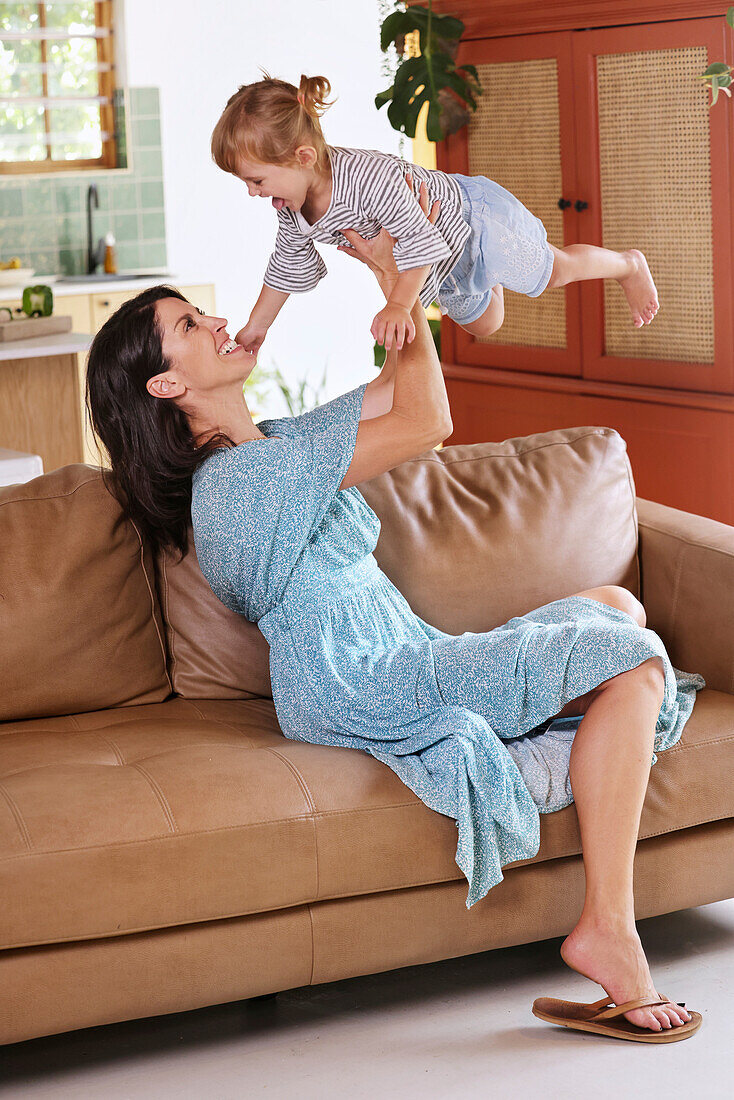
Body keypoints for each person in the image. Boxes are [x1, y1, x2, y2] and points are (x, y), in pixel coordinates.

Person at [85, 182, 702, 1043]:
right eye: (191, 328)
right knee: (630, 659)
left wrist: (402, 279)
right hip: (367, 680)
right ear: (164, 383)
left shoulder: (276, 442)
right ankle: (611, 929)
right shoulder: (236, 483)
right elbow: (427, 422)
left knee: (616, 603)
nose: (221, 323)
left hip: (401, 652)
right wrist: (396, 284)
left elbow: (402, 393)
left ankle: (579, 742)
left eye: (203, 313)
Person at [210, 73, 659, 355]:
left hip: (469, 223)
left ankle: (626, 264)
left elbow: (420, 240)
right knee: (487, 324)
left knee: (552, 273)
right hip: (431, 264)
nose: (253, 194)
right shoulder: (291, 210)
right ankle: (488, 274)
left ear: (303, 156)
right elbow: (284, 268)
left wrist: (398, 304)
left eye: (257, 180)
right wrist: (255, 327)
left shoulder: (367, 178)